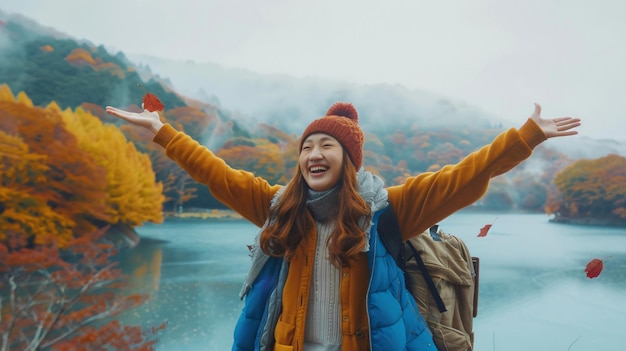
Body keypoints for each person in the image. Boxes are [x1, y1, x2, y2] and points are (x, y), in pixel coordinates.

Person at [106, 101, 580, 351]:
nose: (314, 154)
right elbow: (216, 172)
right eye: (307, 146)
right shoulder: (279, 209)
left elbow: (462, 176)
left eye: (327, 146)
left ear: (349, 160)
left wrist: (526, 137)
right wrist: (163, 132)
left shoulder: (389, 210)